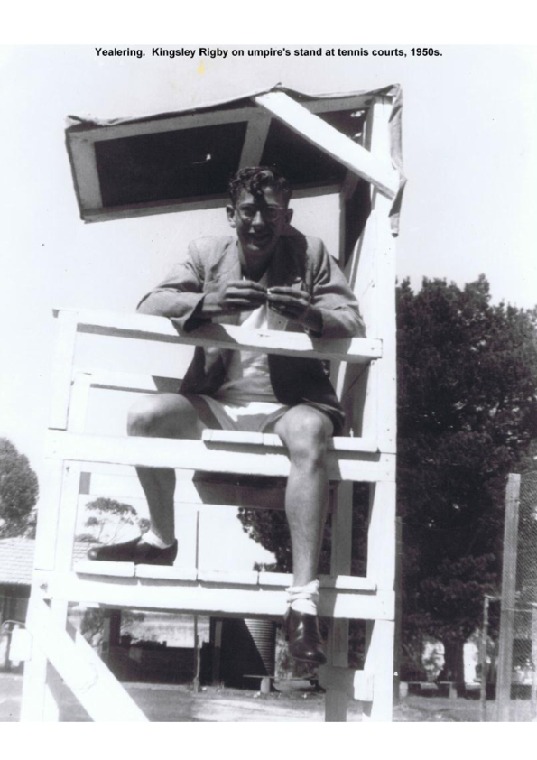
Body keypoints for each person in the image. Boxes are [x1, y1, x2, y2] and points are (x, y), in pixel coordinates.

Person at [88, 166, 365, 664]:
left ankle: (302, 603)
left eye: (271, 213)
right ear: (231, 213)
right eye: (249, 211)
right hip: (218, 400)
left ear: (288, 216)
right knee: (144, 417)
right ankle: (161, 538)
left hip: (290, 403)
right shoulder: (206, 253)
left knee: (311, 432)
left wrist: (310, 315)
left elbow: (350, 317)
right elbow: (152, 304)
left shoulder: (311, 253)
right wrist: (205, 302)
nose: (259, 222)